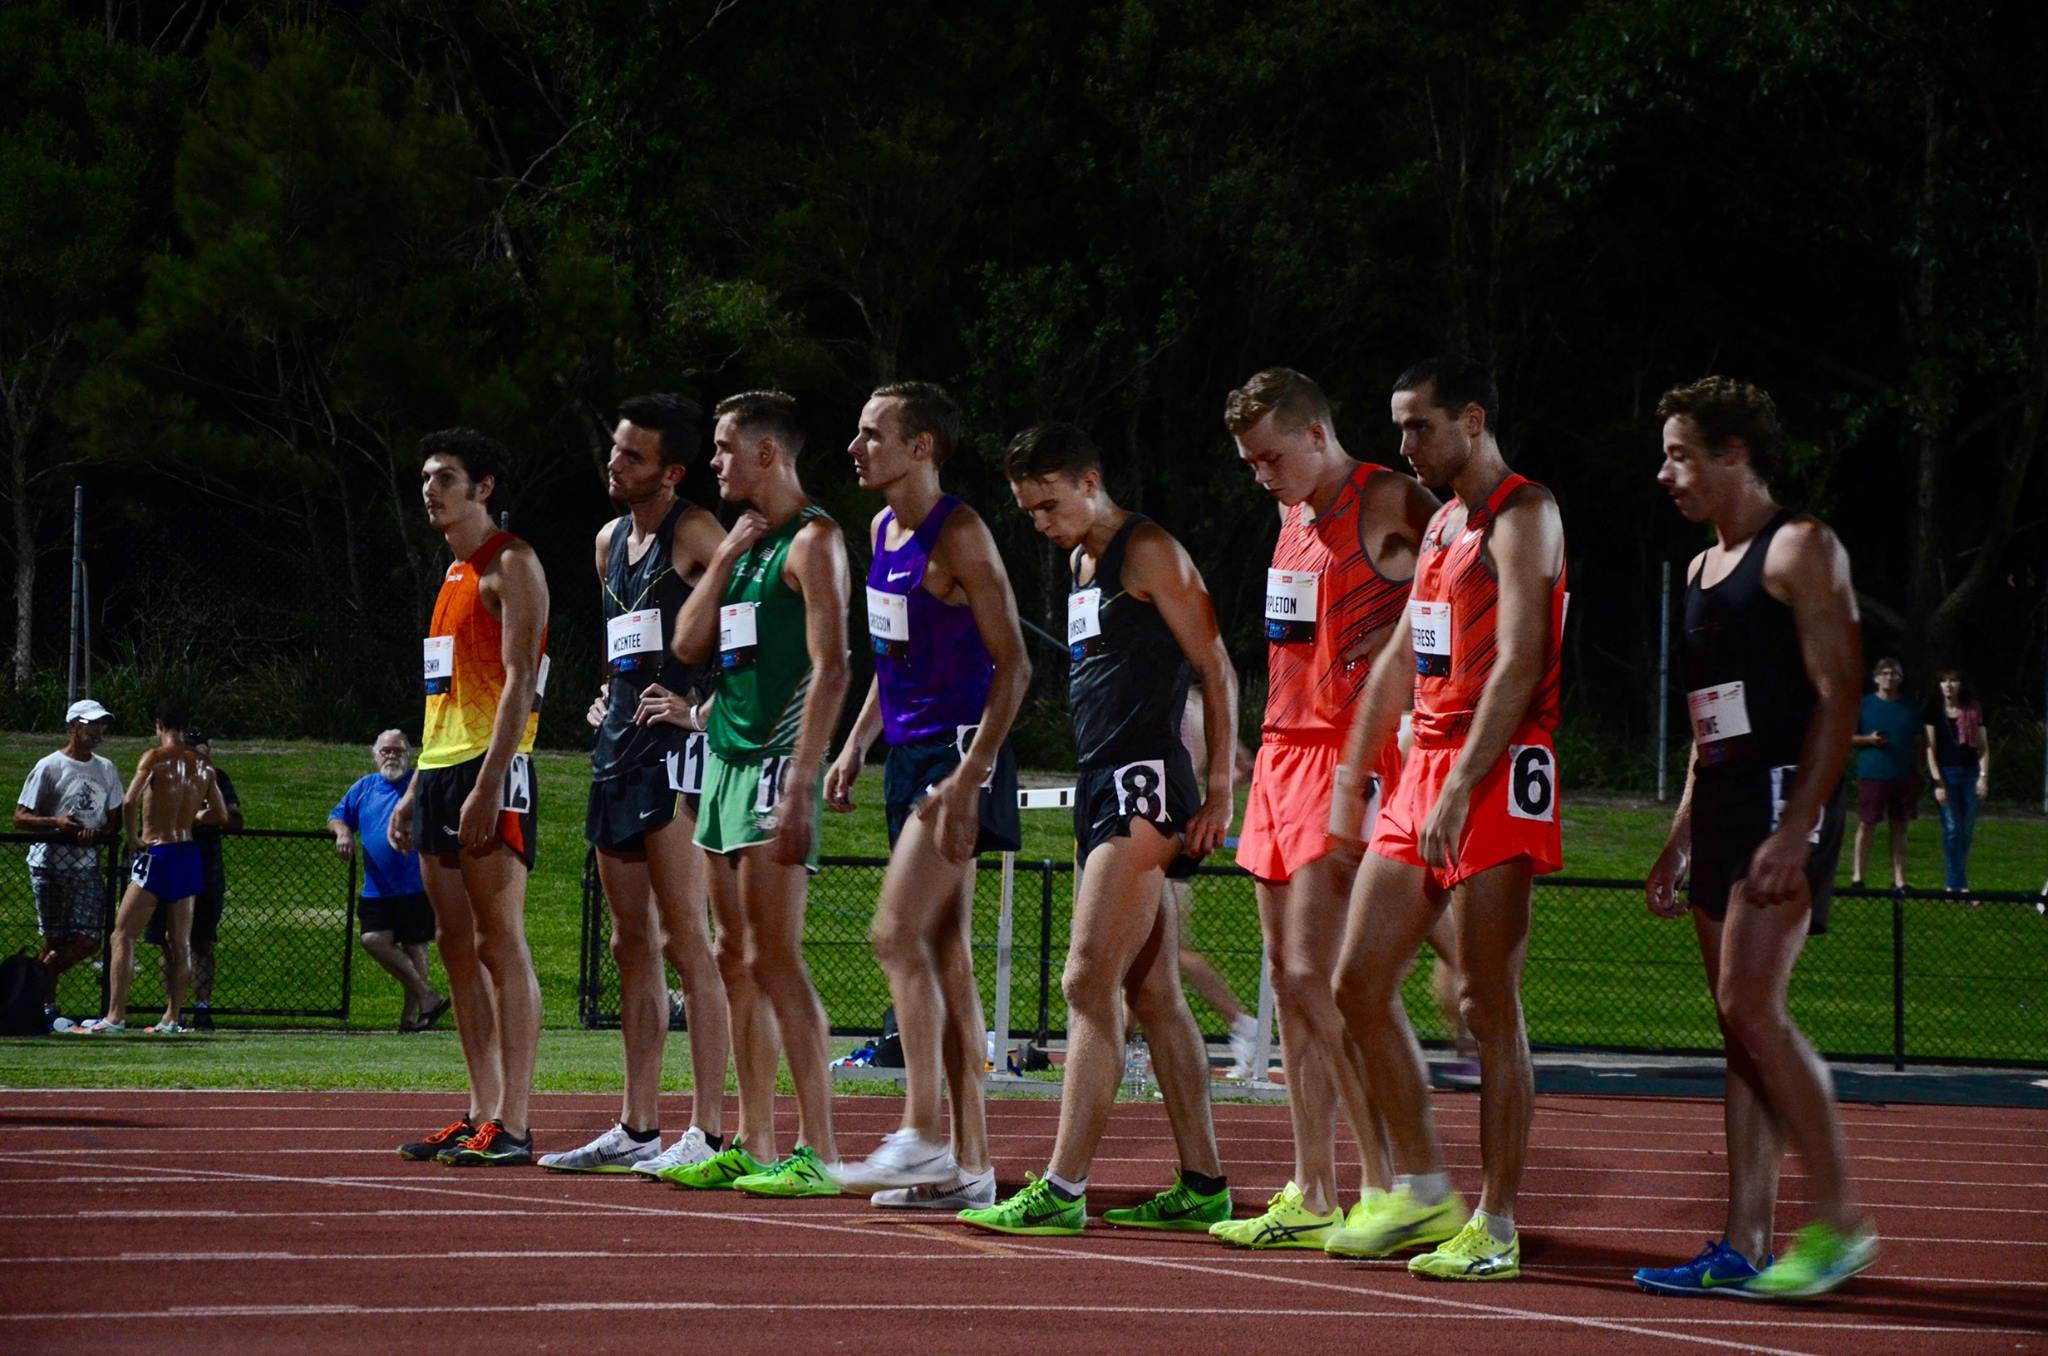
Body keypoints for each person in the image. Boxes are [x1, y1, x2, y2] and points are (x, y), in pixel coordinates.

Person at [961, 420, 1237, 1237]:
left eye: (1047, 506)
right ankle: (1204, 1185)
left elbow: (1217, 665)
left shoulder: (1147, 551)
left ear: (1089, 480)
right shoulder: (1084, 565)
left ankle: (1063, 1187)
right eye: (1028, 513)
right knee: (1154, 995)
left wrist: (1219, 788)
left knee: (1086, 982)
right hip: (1100, 783)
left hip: (1144, 782)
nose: (1039, 525)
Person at [1635, 376, 1877, 1299]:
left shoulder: (1801, 548)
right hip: (1728, 808)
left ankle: (1844, 1222)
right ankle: (1743, 1241)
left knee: (1752, 1008)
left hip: (1785, 803)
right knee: (1739, 1032)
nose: (1666, 473)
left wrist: (1799, 825)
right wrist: (1680, 837)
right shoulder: (1701, 570)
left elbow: (1839, 693)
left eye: (1681, 454)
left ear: (1735, 455)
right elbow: (1710, 723)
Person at [1327, 355, 1567, 1281]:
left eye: (1418, 426)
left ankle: (1497, 1224)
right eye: (1396, 428)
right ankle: (1425, 1190)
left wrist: (1466, 781)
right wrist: (1359, 769)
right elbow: (1402, 652)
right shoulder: (1442, 528)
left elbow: (1520, 658)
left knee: (1485, 1002)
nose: (1404, 445)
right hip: (1427, 765)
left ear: (1471, 417)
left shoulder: (1524, 511)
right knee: (1356, 982)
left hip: (1499, 767)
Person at [1215, 366, 1438, 1251]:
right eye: (1249, 463)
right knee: (1286, 982)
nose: (1262, 474)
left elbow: (1471, 582)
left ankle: (1389, 1185)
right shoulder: (1290, 512)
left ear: (1316, 434)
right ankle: (1313, 1185)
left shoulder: (1387, 495)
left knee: (1323, 980)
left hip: (1350, 754)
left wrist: (1414, 675)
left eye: (1271, 457)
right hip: (1281, 751)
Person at [827, 382, 1029, 1210]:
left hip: (956, 759)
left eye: (873, 433)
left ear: (922, 447)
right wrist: (856, 743)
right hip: (909, 756)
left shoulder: (963, 535)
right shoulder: (881, 530)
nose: (855, 446)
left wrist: (972, 772)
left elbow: (1015, 664)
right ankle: (969, 1166)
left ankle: (920, 1133)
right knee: (944, 958)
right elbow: (890, 653)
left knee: (892, 931)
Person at [544, 394, 740, 1178]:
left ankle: (711, 1130)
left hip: (674, 757)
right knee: (630, 945)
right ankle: (636, 1124)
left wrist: (703, 711)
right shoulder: (606, 542)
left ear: (673, 472)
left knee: (687, 942)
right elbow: (618, 640)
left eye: (632, 457)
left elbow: (754, 624)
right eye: (614, 451)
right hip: (617, 750)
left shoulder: (697, 534)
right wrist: (605, 696)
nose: (614, 465)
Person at [668, 390, 851, 1197]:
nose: (714, 462)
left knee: (776, 959)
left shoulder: (815, 542)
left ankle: (818, 1150)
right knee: (730, 958)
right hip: (724, 763)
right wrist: (729, 550)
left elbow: (835, 665)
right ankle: (752, 1137)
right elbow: (687, 643)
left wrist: (806, 779)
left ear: (767, 453)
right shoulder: (746, 546)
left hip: (777, 764)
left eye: (723, 447)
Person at [389, 428, 551, 1168]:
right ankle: (481, 1109)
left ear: (483, 488)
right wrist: (417, 785)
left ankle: (514, 1121)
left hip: (493, 769)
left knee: (497, 941)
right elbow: (442, 694)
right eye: (426, 477)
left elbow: (522, 681)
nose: (431, 489)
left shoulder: (509, 563)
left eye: (446, 477)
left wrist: (491, 778)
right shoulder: (453, 575)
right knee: (455, 946)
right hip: (441, 767)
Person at [71, 702, 230, 1034]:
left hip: (158, 852)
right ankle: (172, 1018)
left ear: (160, 726)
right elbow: (220, 816)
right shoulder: (203, 766)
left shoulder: (155, 758)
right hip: (188, 854)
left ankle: (115, 1017)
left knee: (122, 934)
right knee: (181, 941)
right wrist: (194, 817)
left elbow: (130, 800)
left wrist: (133, 837)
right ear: (185, 728)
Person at [1163, 686, 1257, 1076]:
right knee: (1150, 958)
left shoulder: (1183, 704)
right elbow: (1242, 767)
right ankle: (1122, 1049)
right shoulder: (1203, 704)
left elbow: (1240, 767)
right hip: (1179, 826)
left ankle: (1242, 1023)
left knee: (1169, 954)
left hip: (1168, 834)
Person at [328, 729, 448, 1031]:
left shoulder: (417, 787)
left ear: (408, 756)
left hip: (416, 884)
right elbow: (337, 815)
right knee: (372, 940)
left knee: (415, 946)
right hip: (377, 888)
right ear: (375, 755)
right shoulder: (364, 787)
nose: (391, 756)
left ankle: (413, 1017)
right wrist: (343, 832)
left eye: (398, 751)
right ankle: (428, 997)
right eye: (385, 751)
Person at [14, 699, 124, 1026]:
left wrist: (100, 833)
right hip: (49, 863)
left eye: (102, 724)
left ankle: (30, 981)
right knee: (54, 939)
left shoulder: (106, 768)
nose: (98, 731)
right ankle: (45, 1007)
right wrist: (57, 823)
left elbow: (115, 817)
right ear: (74, 726)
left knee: (89, 939)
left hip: (85, 864)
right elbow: (21, 816)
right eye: (92, 724)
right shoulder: (49, 766)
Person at [144, 728, 242, 1029]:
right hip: (170, 860)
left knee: (201, 941)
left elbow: (233, 819)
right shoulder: (163, 773)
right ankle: (174, 1008)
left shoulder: (216, 777)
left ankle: (202, 1005)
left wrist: (204, 815)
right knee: (168, 941)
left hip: (205, 868)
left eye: (202, 750)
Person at [1850, 658, 1918, 890]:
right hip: (1872, 772)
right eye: (1885, 673)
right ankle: (1858, 876)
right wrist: (1869, 739)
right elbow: (1848, 736)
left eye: (1894, 674)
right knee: (1867, 824)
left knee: (1899, 825)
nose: (1889, 678)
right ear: (1877, 677)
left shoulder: (1909, 707)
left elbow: (1919, 740)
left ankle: (1899, 879)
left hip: (1902, 774)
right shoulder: (1865, 705)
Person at [1923, 669, 1990, 896]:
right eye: (1944, 681)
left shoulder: (1972, 709)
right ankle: (1955, 884)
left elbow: (1982, 747)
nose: (1948, 685)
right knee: (1952, 828)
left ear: (1960, 684)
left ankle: (1958, 882)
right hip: (1946, 774)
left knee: (1966, 829)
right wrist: (1937, 782)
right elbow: (1930, 748)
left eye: (1953, 680)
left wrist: (1983, 777)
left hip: (1970, 772)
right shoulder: (1934, 711)